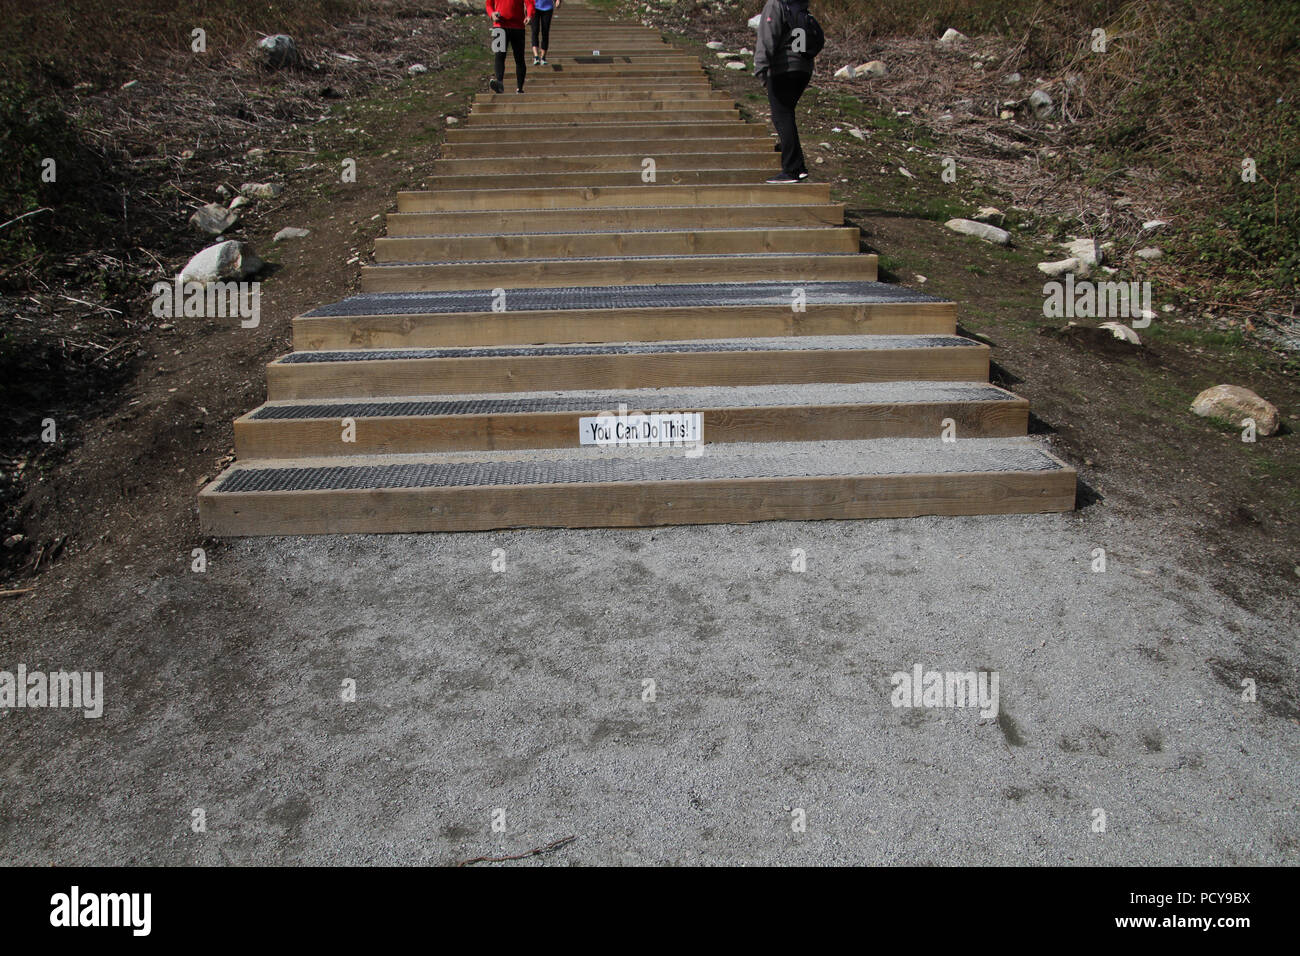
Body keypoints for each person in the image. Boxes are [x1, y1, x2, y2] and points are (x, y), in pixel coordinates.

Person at [753, 0, 814, 184]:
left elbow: (767, 36)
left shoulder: (775, 4)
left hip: (783, 67)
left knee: (781, 115)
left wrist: (760, 67)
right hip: (803, 68)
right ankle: (797, 165)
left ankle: (792, 169)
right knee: (786, 113)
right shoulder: (800, 6)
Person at [486, 0, 535, 94]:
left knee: (519, 58)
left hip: (518, 27)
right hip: (499, 26)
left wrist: (529, 15)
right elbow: (489, 4)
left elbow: (530, 3)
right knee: (499, 55)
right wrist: (491, 14)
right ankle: (499, 83)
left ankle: (520, 88)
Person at [532, 0, 560, 66]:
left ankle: (543, 57)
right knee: (535, 30)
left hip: (548, 7)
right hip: (534, 6)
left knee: (545, 32)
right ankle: (536, 56)